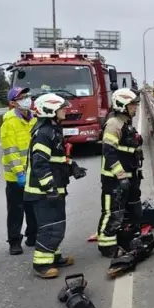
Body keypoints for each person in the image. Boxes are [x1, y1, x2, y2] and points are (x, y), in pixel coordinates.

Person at [24, 92, 87, 279]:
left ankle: (53, 256)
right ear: (50, 110)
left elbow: (56, 159)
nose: (65, 110)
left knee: (57, 224)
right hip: (43, 191)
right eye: (61, 108)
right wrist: (49, 187)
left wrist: (72, 167)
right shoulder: (44, 133)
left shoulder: (52, 130)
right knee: (50, 227)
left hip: (52, 189)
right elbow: (40, 164)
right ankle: (41, 264)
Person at [96, 88, 143, 258]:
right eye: (132, 105)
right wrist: (121, 176)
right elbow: (109, 152)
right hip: (114, 179)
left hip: (129, 177)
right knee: (113, 213)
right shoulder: (113, 124)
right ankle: (106, 246)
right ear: (122, 106)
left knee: (131, 211)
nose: (135, 108)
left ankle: (126, 239)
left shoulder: (125, 123)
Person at [0, 86, 38, 255]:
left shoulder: (35, 119)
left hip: (33, 173)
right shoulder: (9, 123)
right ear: (13, 103)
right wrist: (19, 173)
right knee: (16, 210)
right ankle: (14, 241)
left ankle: (33, 236)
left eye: (27, 96)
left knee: (33, 207)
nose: (26, 99)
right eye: (21, 98)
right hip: (16, 176)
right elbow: (11, 151)